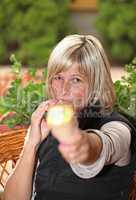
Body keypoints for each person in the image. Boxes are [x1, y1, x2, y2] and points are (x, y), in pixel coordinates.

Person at [3, 34, 136, 200]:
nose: (64, 89)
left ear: (96, 85)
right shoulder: (45, 128)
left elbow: (102, 147)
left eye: (76, 79)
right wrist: (32, 143)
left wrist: (79, 143)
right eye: (58, 77)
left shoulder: (117, 127)